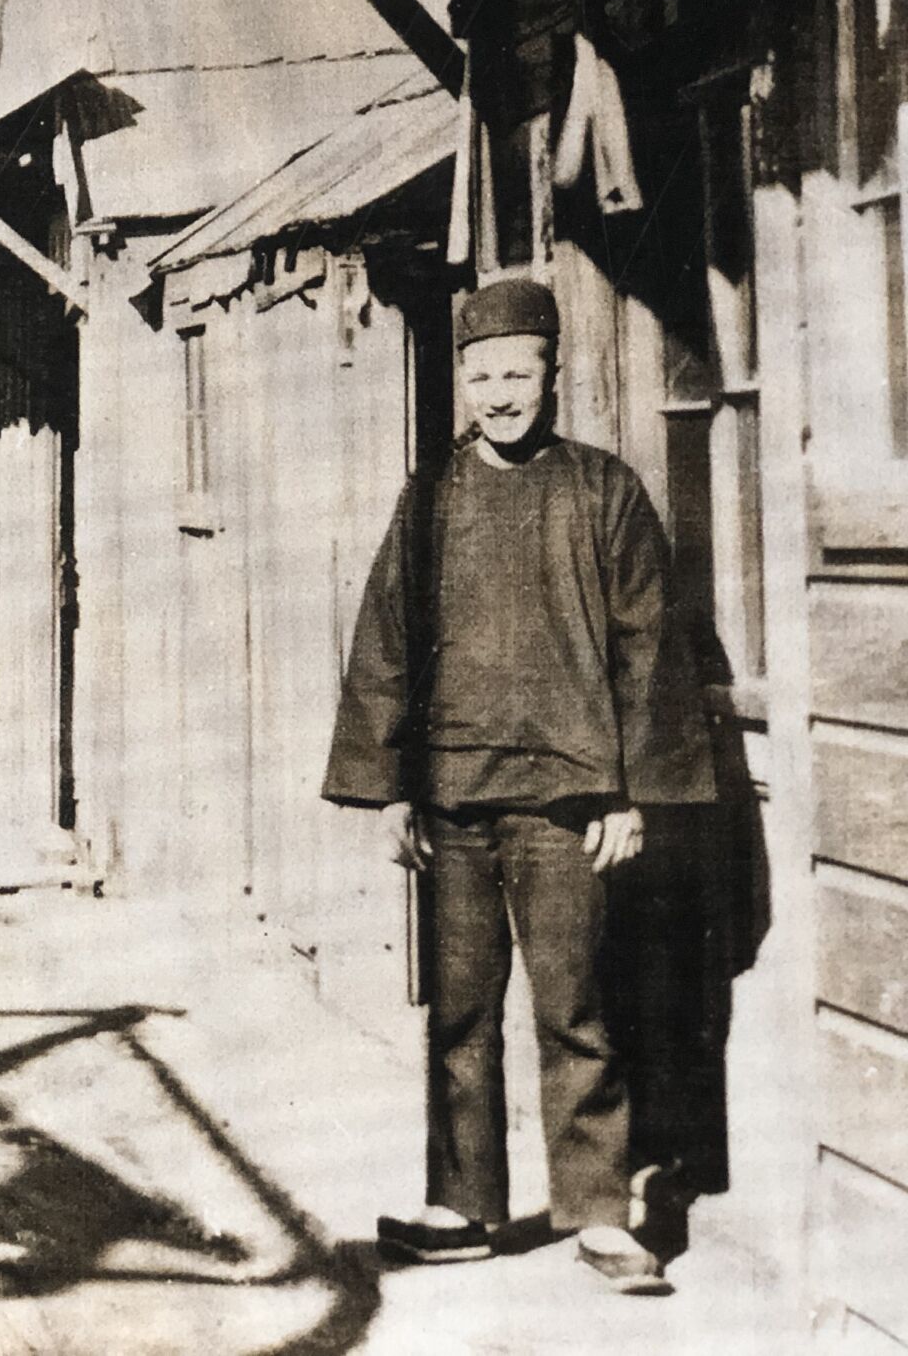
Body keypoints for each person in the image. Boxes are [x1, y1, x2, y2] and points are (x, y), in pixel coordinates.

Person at [321, 276, 716, 1294]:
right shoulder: (429, 497)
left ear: (551, 374)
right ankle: (460, 1206)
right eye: (481, 373)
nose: (499, 393)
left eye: (518, 373)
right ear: (459, 378)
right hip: (451, 799)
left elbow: (650, 650)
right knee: (456, 1015)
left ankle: (597, 1217)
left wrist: (626, 795)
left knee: (574, 1011)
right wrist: (393, 784)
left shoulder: (600, 491)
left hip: (565, 805)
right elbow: (384, 646)